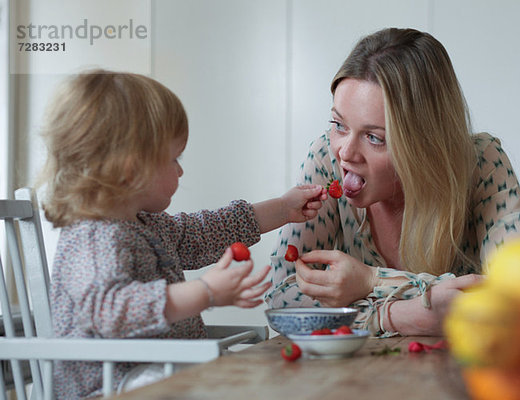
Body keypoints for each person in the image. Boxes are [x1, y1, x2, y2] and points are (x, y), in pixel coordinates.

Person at [38, 69, 327, 399]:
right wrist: (204, 293)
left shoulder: (145, 224)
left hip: (155, 370)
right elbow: (109, 312)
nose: (181, 170)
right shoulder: (92, 238)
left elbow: (204, 231)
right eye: (174, 158)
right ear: (131, 168)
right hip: (108, 385)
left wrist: (283, 208)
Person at [265, 28, 520, 337]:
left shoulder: (482, 163)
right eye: (338, 125)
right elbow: (283, 297)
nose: (346, 151)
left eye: (374, 138)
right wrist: (392, 316)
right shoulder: (325, 160)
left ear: (423, 143)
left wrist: (372, 281)